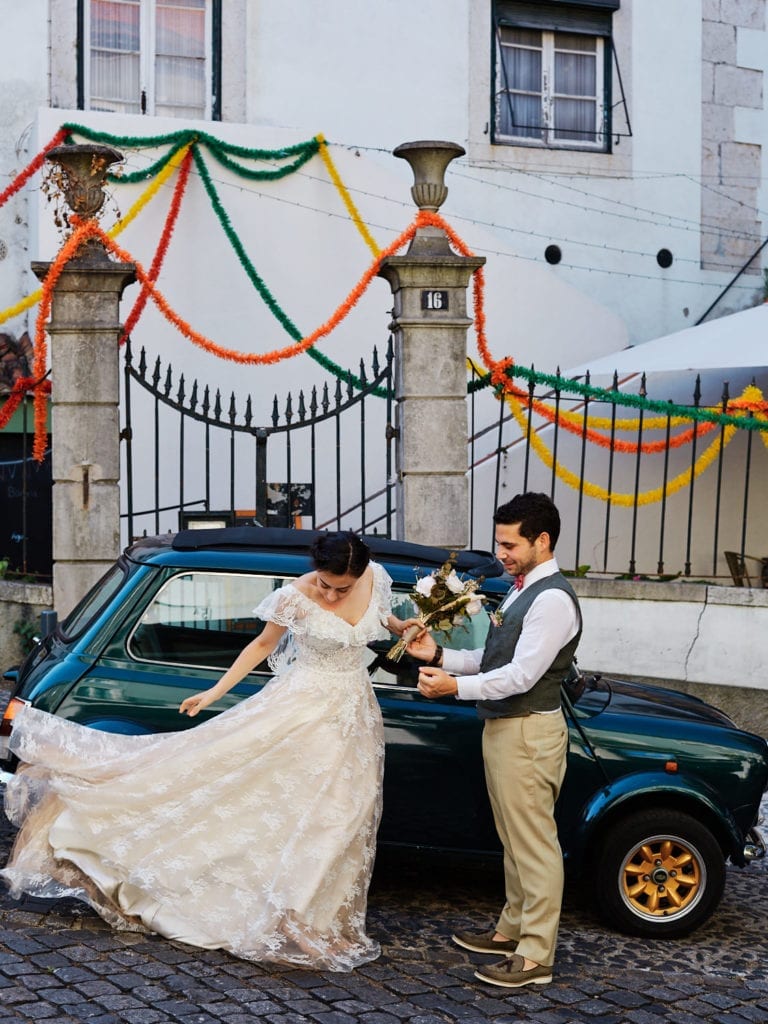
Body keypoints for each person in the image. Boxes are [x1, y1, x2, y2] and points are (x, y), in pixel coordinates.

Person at [1, 531, 406, 972]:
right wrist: (214, 693)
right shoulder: (294, 596)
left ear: (362, 573)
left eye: (340, 588)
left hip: (355, 714)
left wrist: (403, 627)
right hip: (301, 711)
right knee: (299, 810)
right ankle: (293, 919)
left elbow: (381, 618)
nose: (329, 594)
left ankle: (310, 913)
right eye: (324, 584)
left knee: (347, 813)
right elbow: (262, 645)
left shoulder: (377, 578)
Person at [406, 492, 581, 989]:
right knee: (514, 840)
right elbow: (492, 657)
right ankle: (511, 930)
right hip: (508, 729)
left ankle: (534, 956)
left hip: (527, 732)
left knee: (535, 846)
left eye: (509, 544)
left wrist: (453, 687)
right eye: (499, 542)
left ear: (541, 541)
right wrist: (439, 654)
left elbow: (521, 677)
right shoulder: (524, 589)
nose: (500, 553)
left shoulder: (551, 599)